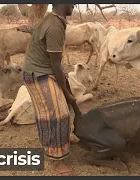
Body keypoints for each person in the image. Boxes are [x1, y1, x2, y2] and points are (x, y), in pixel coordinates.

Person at [22, 4, 82, 175]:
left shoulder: (54, 19)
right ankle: (57, 161)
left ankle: (61, 139)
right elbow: (55, 64)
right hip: (38, 74)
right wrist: (66, 92)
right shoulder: (55, 26)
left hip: (43, 69)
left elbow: (55, 61)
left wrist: (65, 85)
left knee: (59, 109)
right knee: (57, 114)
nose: (74, 5)